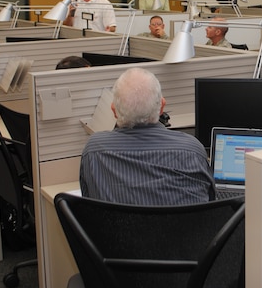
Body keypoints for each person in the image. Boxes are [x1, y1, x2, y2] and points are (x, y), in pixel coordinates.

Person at [79, 67, 215, 205]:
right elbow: (211, 203)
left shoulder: (94, 151)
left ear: (114, 111)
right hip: (184, 227)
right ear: (162, 107)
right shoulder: (192, 150)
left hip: (118, 227)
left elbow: (89, 204)